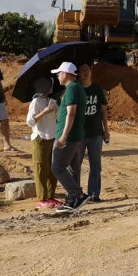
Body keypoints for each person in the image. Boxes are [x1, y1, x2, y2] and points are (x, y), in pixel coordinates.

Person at [49, 62, 89, 213]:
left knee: (57, 167)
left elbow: (71, 114)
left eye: (59, 73)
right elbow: (79, 116)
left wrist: (63, 136)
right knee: (72, 170)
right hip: (75, 136)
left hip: (68, 136)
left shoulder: (72, 89)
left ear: (65, 74)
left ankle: (76, 195)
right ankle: (72, 201)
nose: (57, 76)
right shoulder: (78, 88)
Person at [78, 62, 111, 203]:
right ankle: (76, 193)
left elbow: (103, 110)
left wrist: (106, 130)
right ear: (78, 73)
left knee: (96, 165)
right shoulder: (75, 89)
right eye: (83, 70)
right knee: (75, 165)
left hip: (96, 133)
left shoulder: (97, 89)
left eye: (88, 69)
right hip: (79, 135)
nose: (86, 72)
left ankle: (93, 194)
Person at [26, 77, 59, 209]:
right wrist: (44, 112)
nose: (52, 88)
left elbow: (56, 116)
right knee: (40, 168)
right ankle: (42, 198)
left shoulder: (49, 101)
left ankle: (51, 196)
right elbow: (30, 121)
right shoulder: (36, 102)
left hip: (52, 136)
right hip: (40, 137)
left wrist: (55, 108)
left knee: (52, 168)